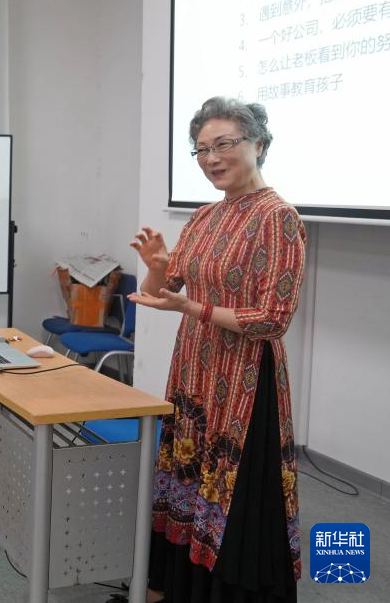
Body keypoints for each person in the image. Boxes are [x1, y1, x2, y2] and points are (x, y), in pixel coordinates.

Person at [129, 97, 305, 602]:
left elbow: (272, 319)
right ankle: (176, 587)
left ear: (259, 144)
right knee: (187, 479)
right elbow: (158, 294)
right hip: (195, 368)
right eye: (202, 149)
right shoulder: (204, 217)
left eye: (224, 144)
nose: (211, 158)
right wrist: (158, 267)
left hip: (245, 381)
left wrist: (193, 308)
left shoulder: (278, 218)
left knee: (234, 492)